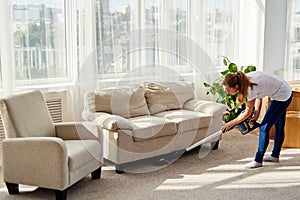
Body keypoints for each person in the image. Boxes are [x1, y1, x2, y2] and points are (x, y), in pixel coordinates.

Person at [221, 70, 292, 169]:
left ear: (236, 87)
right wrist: (257, 112)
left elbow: (248, 112)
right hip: (281, 90)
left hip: (282, 95)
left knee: (264, 128)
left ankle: (258, 160)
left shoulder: (249, 88)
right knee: (278, 125)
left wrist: (231, 123)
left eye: (228, 90)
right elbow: (259, 95)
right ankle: (275, 155)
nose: (227, 92)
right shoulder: (245, 80)